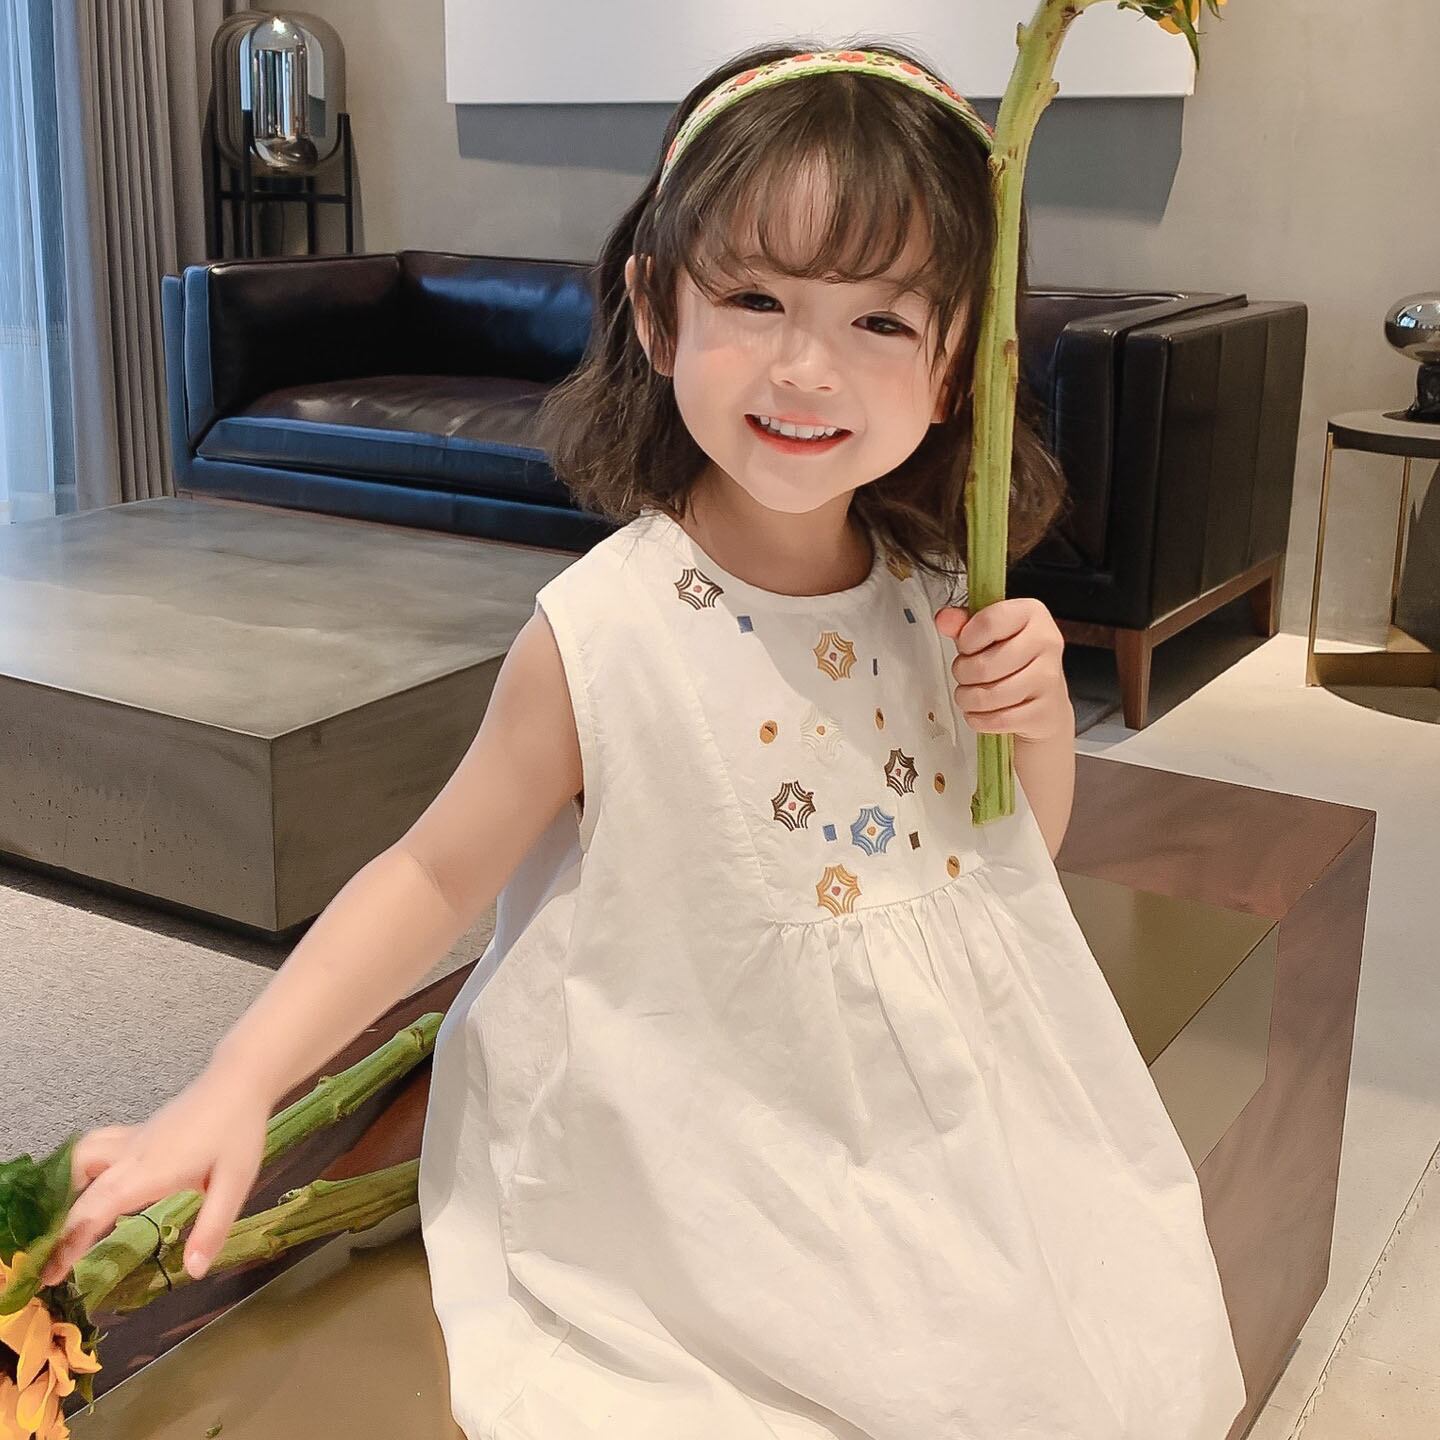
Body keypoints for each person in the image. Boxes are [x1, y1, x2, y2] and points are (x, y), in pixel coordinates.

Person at [39, 39, 1248, 1440]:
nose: (809, 367)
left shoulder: (941, 596)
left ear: (958, 367)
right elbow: (432, 874)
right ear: (657, 312)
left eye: (880, 320)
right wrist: (238, 1081)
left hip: (900, 1103)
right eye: (756, 298)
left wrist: (1035, 728)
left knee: (1078, 1326)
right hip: (688, 1119)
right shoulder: (605, 634)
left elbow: (998, 867)